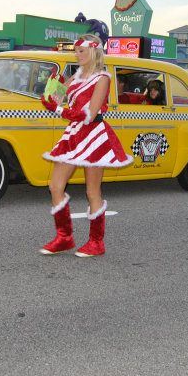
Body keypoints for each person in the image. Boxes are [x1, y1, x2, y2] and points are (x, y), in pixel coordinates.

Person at [40, 34, 132, 258]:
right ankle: (64, 237)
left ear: (94, 51)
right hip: (73, 133)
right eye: (76, 51)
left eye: (82, 51)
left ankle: (96, 242)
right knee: (55, 186)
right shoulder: (75, 76)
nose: (77, 55)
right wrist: (51, 87)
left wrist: (59, 110)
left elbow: (90, 114)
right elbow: (53, 97)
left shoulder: (103, 78)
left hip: (93, 136)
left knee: (92, 190)